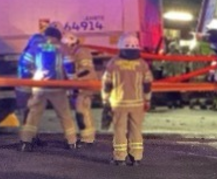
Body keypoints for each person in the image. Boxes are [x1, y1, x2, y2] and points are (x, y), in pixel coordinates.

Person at [19, 25, 78, 151]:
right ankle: (71, 141)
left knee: (33, 115)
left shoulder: (36, 46)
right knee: (65, 115)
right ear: (58, 36)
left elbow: (25, 62)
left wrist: (28, 77)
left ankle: (26, 142)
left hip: (39, 87)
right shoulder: (63, 47)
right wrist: (73, 84)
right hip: (57, 87)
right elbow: (69, 66)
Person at [102, 33, 153, 166]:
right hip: (137, 103)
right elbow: (147, 84)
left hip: (119, 103)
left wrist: (105, 99)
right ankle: (136, 157)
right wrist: (147, 100)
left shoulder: (113, 63)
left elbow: (107, 83)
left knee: (119, 129)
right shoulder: (142, 64)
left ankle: (120, 158)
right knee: (136, 130)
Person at [62, 32, 98, 146]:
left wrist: (74, 79)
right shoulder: (74, 52)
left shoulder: (81, 51)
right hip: (80, 86)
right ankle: (88, 137)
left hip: (85, 85)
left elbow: (86, 69)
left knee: (81, 111)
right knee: (83, 111)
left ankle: (87, 139)